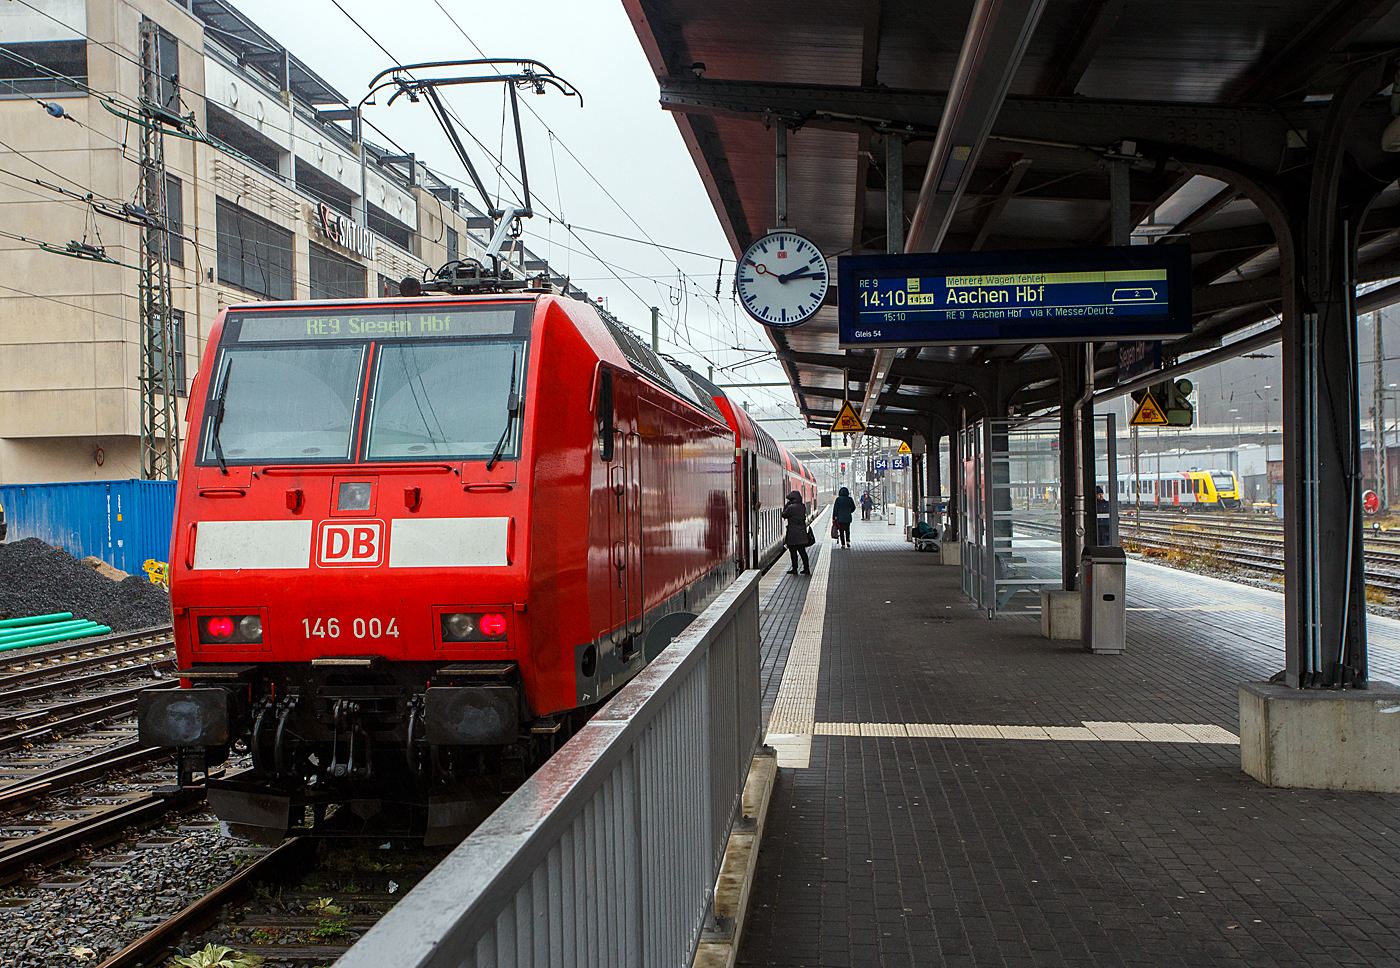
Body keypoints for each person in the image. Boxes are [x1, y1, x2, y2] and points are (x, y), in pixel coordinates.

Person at [782, 490, 811, 575]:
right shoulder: (802, 507)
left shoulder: (791, 508)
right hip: (802, 533)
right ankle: (806, 568)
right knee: (802, 551)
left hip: (792, 533)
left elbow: (784, 514)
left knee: (793, 552)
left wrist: (787, 505)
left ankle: (795, 568)